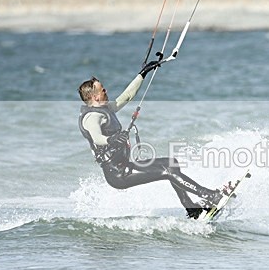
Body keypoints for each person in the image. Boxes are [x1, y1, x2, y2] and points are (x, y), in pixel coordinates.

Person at [78, 62, 225, 219]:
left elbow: (127, 96)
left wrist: (143, 74)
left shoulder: (106, 108)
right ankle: (209, 195)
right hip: (118, 174)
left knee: (171, 163)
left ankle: (191, 208)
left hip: (125, 166)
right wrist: (111, 138)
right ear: (94, 96)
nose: (106, 91)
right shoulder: (92, 117)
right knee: (167, 172)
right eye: (103, 90)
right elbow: (98, 138)